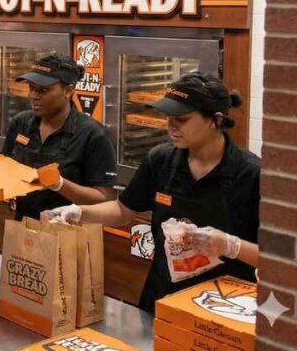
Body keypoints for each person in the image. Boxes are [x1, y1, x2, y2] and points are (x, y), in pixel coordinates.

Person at [45, 73, 259, 313]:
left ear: (215, 120)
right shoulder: (160, 160)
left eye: (182, 119)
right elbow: (123, 210)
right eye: (168, 117)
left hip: (226, 306)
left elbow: (280, 262)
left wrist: (231, 246)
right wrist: (79, 212)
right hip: (163, 294)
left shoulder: (251, 174)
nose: (171, 126)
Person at [0, 53, 116, 220]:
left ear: (68, 91)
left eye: (43, 90)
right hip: (22, 227)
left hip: (69, 235)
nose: (33, 96)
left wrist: (59, 184)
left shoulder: (93, 135)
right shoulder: (21, 123)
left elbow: (105, 199)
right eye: (32, 88)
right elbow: (5, 173)